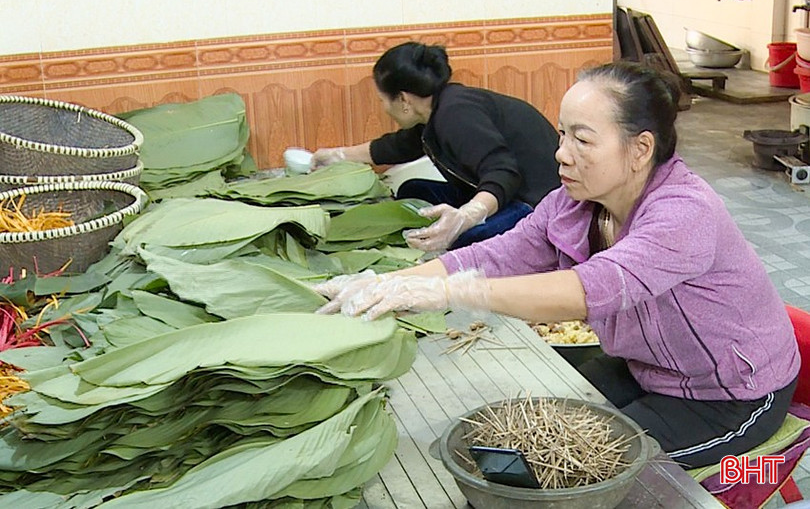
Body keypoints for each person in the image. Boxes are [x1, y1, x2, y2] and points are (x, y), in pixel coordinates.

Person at [313, 62, 801, 469]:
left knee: (581, 467)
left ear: (641, 149)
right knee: (526, 440)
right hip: (650, 368)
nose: (561, 153)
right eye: (563, 133)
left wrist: (452, 292)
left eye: (583, 141)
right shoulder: (576, 201)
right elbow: (494, 255)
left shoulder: (683, 213)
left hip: (731, 395)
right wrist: (382, 283)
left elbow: (592, 288)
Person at [311, 41, 560, 252]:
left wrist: (467, 216)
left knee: (466, 242)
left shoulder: (456, 114)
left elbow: (503, 173)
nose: (384, 108)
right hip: (501, 193)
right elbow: (396, 147)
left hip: (534, 202)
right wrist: (336, 155)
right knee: (413, 190)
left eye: (382, 100)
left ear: (403, 99)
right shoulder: (435, 110)